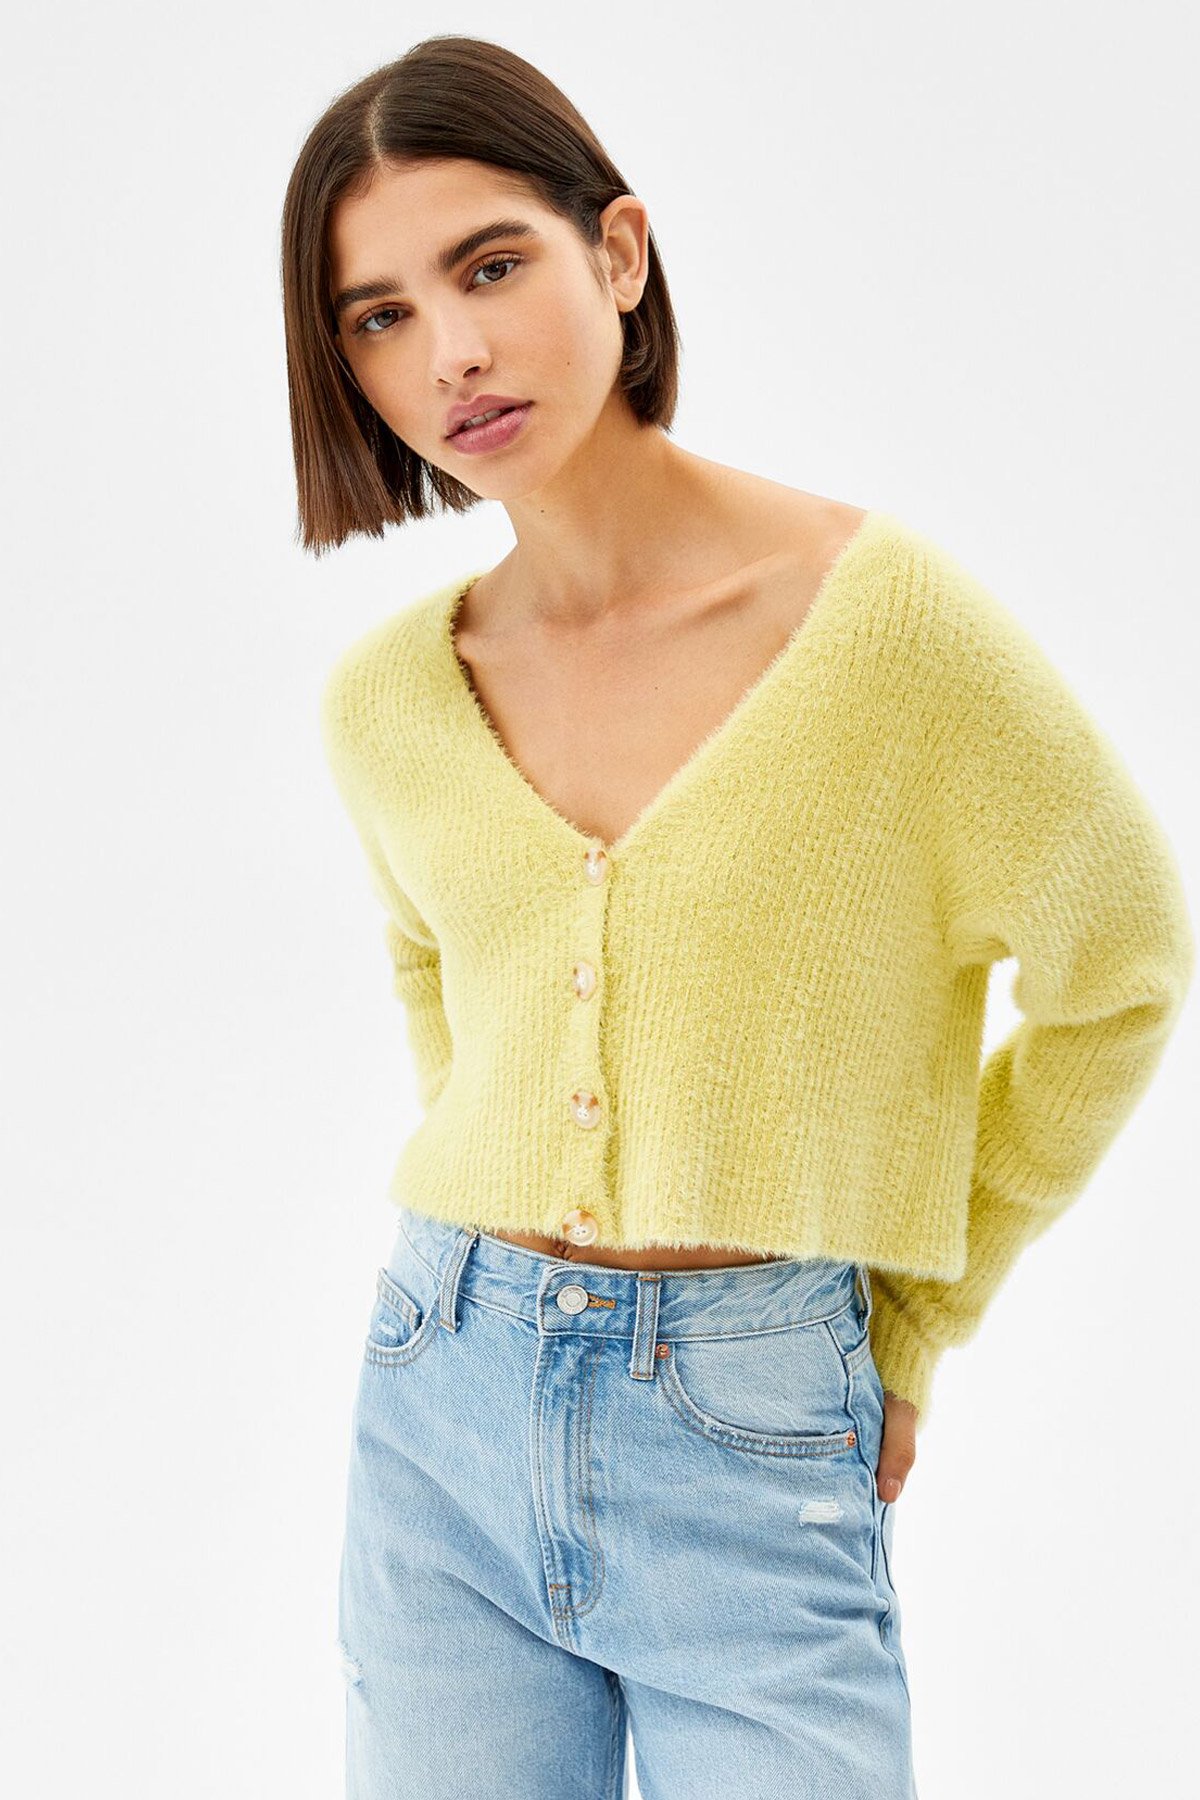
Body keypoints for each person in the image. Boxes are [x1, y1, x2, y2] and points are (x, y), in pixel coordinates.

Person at [281, 35, 1193, 1800]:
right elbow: (436, 972)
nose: (450, 352)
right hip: (439, 1398)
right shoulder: (389, 698)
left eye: (490, 267)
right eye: (379, 316)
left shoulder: (886, 631)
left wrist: (914, 1318)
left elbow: (1127, 967)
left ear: (618, 253)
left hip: (757, 1409)